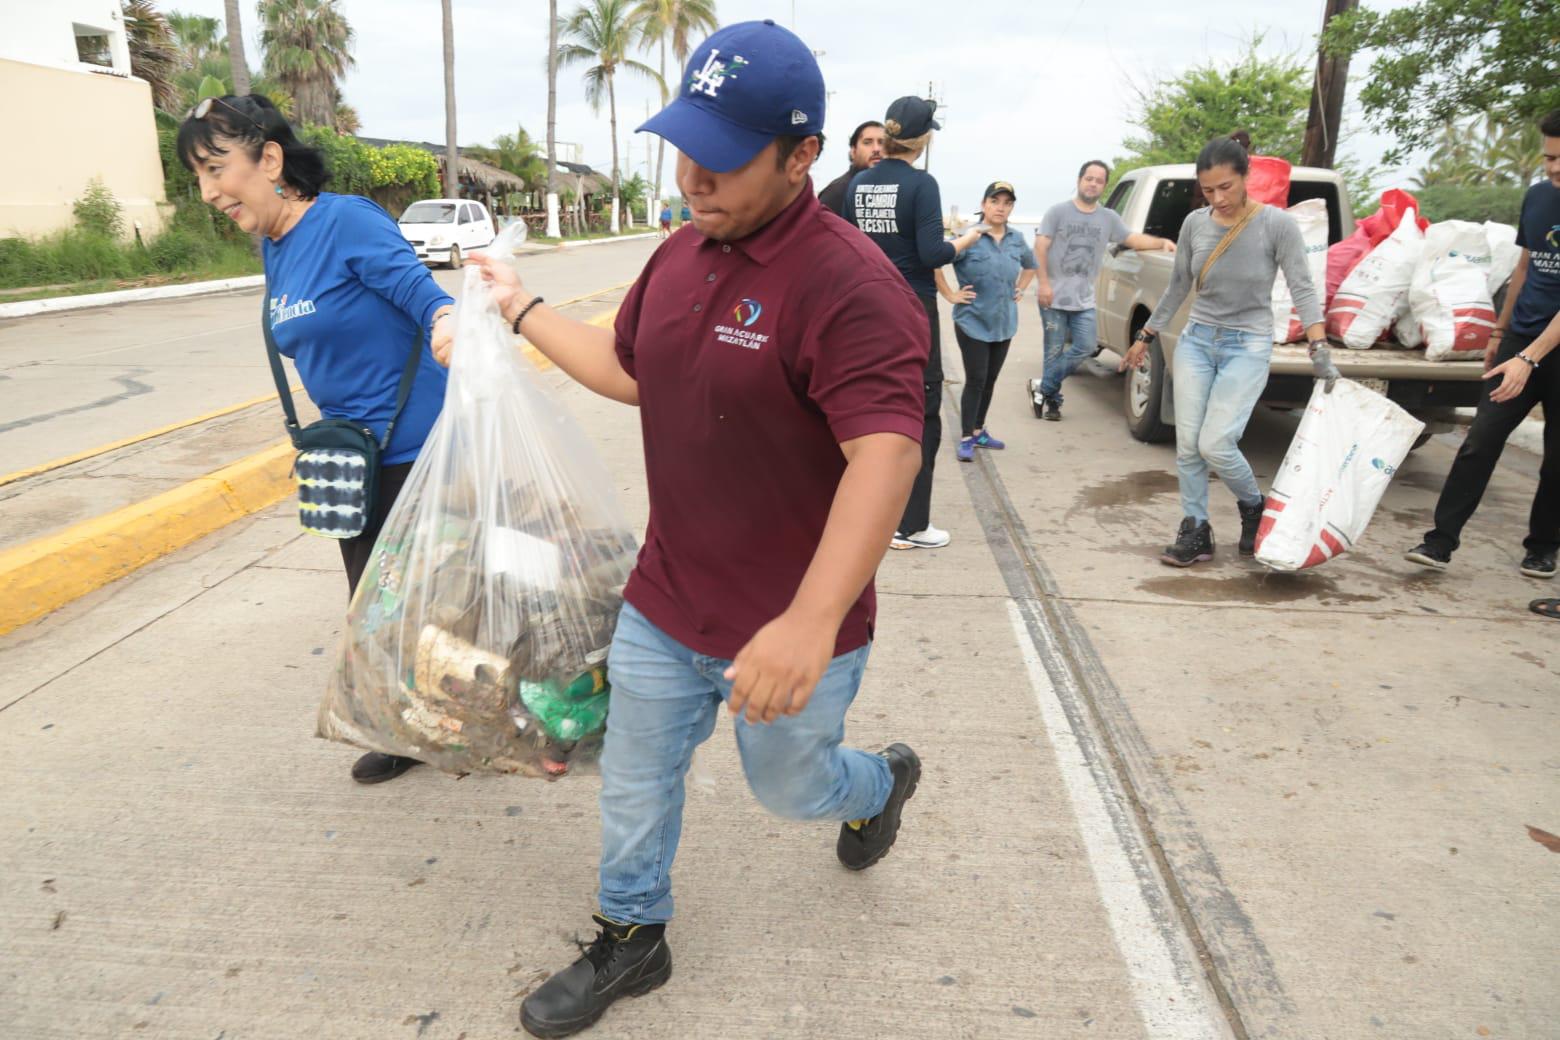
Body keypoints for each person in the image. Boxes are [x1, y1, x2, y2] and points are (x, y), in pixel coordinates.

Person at [446, 21, 930, 1038]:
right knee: (632, 777)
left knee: (792, 786)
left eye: (725, 153)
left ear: (802, 156)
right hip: (666, 599)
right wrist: (519, 305)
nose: (694, 173)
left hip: (790, 626)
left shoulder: (849, 285)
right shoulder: (678, 253)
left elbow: (884, 455)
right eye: (684, 144)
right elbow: (632, 369)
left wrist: (807, 619)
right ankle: (633, 932)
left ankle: (877, 781)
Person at [177, 94, 455, 784]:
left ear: (270, 159)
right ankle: (424, 724)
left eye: (218, 169)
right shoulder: (277, 245)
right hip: (354, 459)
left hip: (418, 454)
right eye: (198, 178)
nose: (210, 192)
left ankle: (446, 723)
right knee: (380, 603)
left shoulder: (346, 222)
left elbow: (425, 297)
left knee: (415, 602)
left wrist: (449, 319)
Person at [1122, 136, 1339, 567]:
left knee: (1217, 444)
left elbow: (1302, 286)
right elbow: (1178, 287)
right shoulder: (1194, 226)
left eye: (1226, 187)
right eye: (1208, 190)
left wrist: (1319, 344)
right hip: (1197, 341)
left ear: (1245, 177)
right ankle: (1196, 529)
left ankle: (1253, 505)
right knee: (1188, 446)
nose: (1218, 198)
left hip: (1248, 343)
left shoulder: (1277, 225)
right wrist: (1145, 336)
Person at [1404, 108, 1560, 581]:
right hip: (1520, 340)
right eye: (1548, 157)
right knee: (1480, 441)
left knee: (1557, 459)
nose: (1552, 167)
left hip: (1549, 351)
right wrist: (1500, 332)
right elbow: (1524, 268)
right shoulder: (1537, 197)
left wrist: (1530, 360)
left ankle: (1543, 546)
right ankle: (1440, 541)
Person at [845, 95, 984, 550]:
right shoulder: (922, 184)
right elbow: (932, 253)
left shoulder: (858, 184)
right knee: (922, 411)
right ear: (922, 140)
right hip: (911, 310)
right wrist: (962, 241)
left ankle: (862, 515)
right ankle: (910, 523)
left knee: (867, 408)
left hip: (865, 310)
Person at [1030, 160, 1174, 421]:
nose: (1093, 183)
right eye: (1089, 178)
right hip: (1053, 297)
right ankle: (1053, 401)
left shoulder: (1108, 218)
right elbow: (1039, 247)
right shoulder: (1057, 212)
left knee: (1084, 347)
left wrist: (1162, 243)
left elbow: (1131, 239)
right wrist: (1043, 284)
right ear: (1079, 180)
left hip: (1084, 301)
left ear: (1104, 186)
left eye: (1099, 180)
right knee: (1053, 352)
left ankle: (1043, 387)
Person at [934, 180, 1036, 460]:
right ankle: (966, 437)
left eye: (1007, 203)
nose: (1000, 207)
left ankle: (979, 431)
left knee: (990, 380)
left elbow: (1031, 265)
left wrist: (1022, 288)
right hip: (972, 322)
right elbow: (935, 262)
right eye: (995, 201)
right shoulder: (969, 237)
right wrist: (950, 295)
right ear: (983, 205)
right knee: (976, 379)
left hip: (1004, 324)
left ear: (1012, 207)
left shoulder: (1016, 239)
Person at [816, 119, 886, 216]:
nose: (876, 149)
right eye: (867, 142)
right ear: (853, 152)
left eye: (882, 142)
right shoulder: (837, 192)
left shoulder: (895, 188)